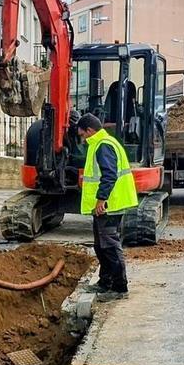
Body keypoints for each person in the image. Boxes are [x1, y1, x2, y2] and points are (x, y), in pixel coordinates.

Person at [75, 113, 138, 300]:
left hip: (110, 205)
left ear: (90, 130)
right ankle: (105, 282)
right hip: (105, 205)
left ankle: (119, 288)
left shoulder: (103, 146)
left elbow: (109, 175)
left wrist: (101, 200)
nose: (82, 139)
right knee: (101, 246)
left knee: (110, 246)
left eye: (82, 135)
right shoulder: (100, 144)